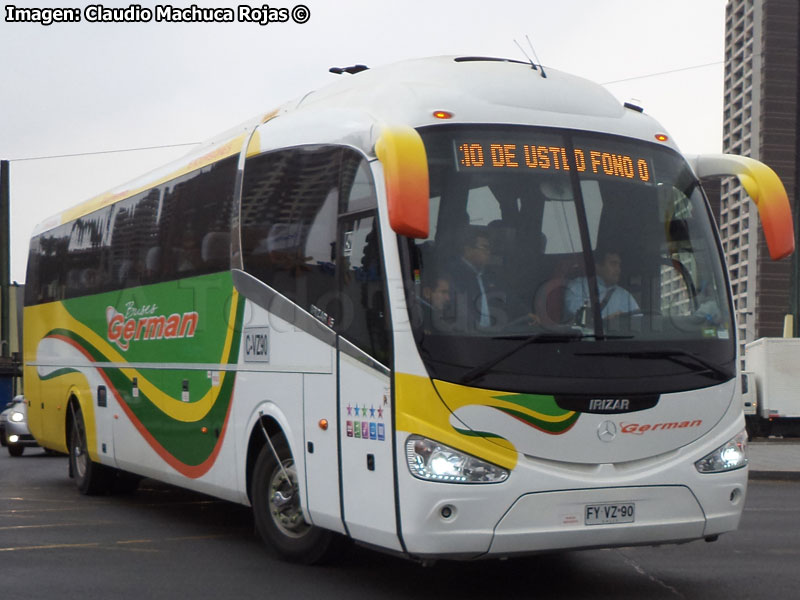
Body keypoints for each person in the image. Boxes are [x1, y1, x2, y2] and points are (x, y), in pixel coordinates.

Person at [563, 248, 639, 323]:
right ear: (597, 266)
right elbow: (579, 317)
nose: (618, 269)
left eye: (619, 265)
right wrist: (606, 322)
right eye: (613, 264)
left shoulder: (624, 295)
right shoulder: (577, 287)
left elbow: (638, 321)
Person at [448, 227, 496, 329]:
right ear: (468, 250)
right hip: (468, 337)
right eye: (484, 248)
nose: (488, 252)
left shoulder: (488, 274)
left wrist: (527, 314)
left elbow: (508, 298)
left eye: (489, 248)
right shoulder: (454, 275)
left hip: (492, 335)